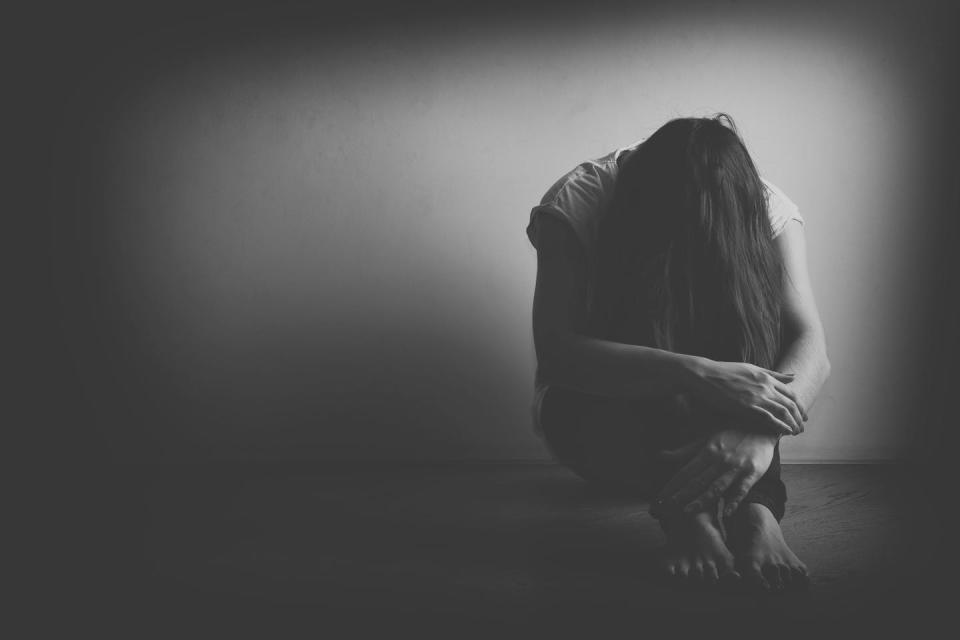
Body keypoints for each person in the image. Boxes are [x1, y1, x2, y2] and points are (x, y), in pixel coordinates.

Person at [526, 114, 831, 592]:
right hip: (594, 419)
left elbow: (812, 349)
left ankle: (757, 514)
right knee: (651, 305)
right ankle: (690, 516)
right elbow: (558, 356)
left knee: (753, 310)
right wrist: (701, 374)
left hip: (728, 432)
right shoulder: (579, 201)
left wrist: (760, 434)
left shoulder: (768, 207)